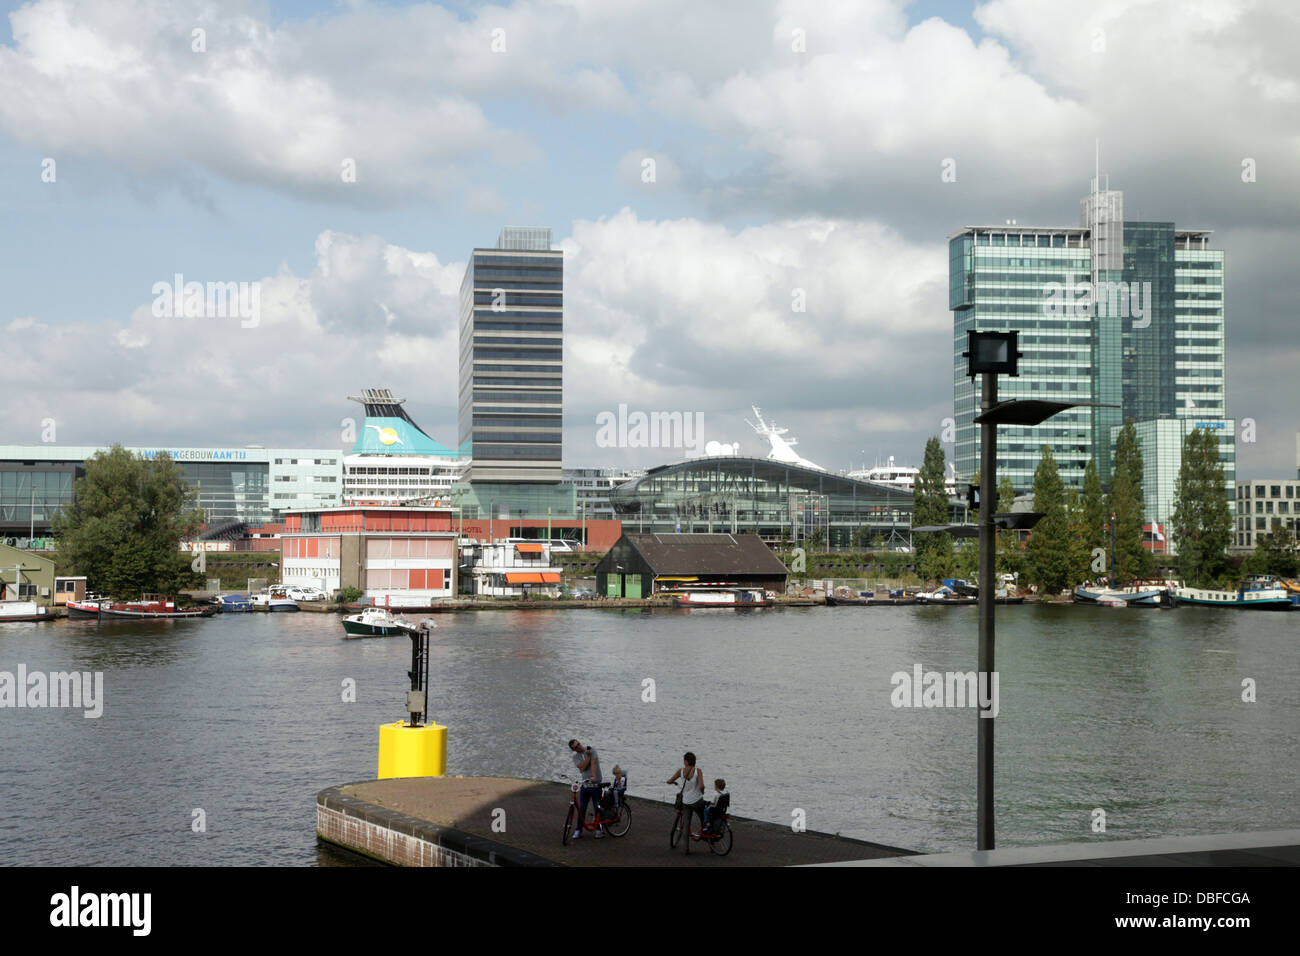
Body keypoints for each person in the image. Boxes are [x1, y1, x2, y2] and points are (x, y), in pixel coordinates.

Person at [667, 752, 705, 854]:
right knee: (704, 819)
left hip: (686, 802)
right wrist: (702, 792)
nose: (683, 762)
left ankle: (686, 849)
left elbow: (670, 780)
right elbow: (701, 786)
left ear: (686, 761)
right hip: (697, 801)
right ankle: (708, 838)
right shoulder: (698, 771)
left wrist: (669, 782)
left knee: (686, 824)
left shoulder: (681, 771)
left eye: (684, 760)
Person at [568, 738, 604, 839]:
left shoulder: (591, 749)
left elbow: (593, 764)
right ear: (574, 750)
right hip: (585, 785)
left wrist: (593, 776)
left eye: (578, 744)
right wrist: (587, 757)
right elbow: (582, 767)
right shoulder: (576, 757)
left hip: (596, 784)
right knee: (582, 808)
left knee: (597, 807)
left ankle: (599, 830)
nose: (579, 747)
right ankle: (578, 830)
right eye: (576, 747)